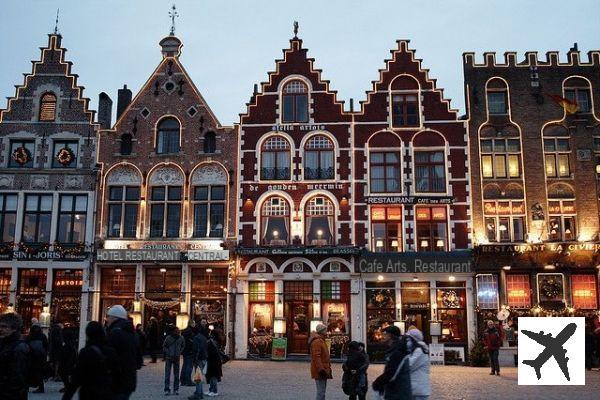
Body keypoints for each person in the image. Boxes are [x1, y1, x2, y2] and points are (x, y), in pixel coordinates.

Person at [62, 321, 119, 400]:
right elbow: (117, 373)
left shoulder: (86, 352)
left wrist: (67, 396)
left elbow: (76, 377)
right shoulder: (110, 351)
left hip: (89, 393)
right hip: (106, 392)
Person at [106, 305, 138, 400]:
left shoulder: (115, 332)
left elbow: (110, 357)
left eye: (108, 316)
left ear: (114, 317)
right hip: (129, 378)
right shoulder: (132, 332)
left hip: (117, 379)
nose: (107, 319)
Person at [372, 325, 412, 400]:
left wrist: (377, 383)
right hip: (396, 392)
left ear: (390, 336)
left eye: (385, 334)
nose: (383, 336)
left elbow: (391, 373)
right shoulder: (396, 349)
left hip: (398, 393)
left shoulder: (397, 352)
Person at [0, 313, 29, 400]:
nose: (0, 329)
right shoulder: (4, 344)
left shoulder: (19, 347)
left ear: (14, 328)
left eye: (4, 327)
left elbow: (17, 378)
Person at [406, 327, 431, 400]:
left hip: (418, 389)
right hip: (415, 388)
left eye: (408, 339)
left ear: (413, 339)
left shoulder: (419, 351)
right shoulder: (415, 350)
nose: (407, 341)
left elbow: (409, 366)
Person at [309, 323, 332, 400]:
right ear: (322, 331)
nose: (327, 331)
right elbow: (316, 357)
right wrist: (321, 369)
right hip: (320, 370)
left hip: (323, 369)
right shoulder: (317, 341)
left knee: (322, 392)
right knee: (321, 392)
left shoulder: (321, 340)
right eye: (325, 330)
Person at [26, 322, 49, 393]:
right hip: (40, 357)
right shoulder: (42, 336)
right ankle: (40, 387)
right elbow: (46, 346)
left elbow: (27, 346)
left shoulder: (30, 336)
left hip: (32, 357)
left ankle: (28, 387)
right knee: (38, 372)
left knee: (29, 372)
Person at [163, 324, 185, 396]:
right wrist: (168, 352)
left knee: (174, 374)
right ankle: (170, 389)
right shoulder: (169, 338)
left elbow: (183, 345)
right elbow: (164, 346)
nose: (177, 332)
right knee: (169, 374)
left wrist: (179, 351)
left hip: (176, 357)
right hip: (170, 357)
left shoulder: (181, 338)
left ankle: (173, 389)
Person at [189, 328, 208, 400]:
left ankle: (198, 394)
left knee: (198, 377)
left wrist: (195, 359)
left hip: (198, 359)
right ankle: (200, 392)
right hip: (203, 358)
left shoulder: (196, 338)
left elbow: (196, 349)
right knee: (200, 376)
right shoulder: (204, 338)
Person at [205, 331, 223, 397]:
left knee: (213, 376)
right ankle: (211, 390)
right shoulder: (215, 341)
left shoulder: (213, 342)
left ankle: (214, 391)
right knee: (211, 376)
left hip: (213, 361)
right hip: (214, 361)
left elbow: (212, 352)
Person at [180, 319, 197, 386]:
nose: (194, 325)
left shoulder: (184, 331)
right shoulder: (191, 331)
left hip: (185, 350)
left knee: (185, 365)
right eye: (194, 323)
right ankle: (188, 381)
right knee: (189, 366)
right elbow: (192, 341)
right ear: (191, 324)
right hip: (190, 350)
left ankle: (182, 380)